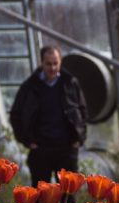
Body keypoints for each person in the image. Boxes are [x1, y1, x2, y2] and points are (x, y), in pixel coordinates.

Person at [9, 45, 88, 187]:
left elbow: (82, 112)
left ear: (60, 62)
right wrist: (27, 141)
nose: (52, 68)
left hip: (66, 148)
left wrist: (78, 138)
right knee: (40, 194)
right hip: (40, 149)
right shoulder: (30, 86)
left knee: (68, 195)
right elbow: (16, 115)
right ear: (42, 63)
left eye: (55, 63)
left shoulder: (70, 83)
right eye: (48, 64)